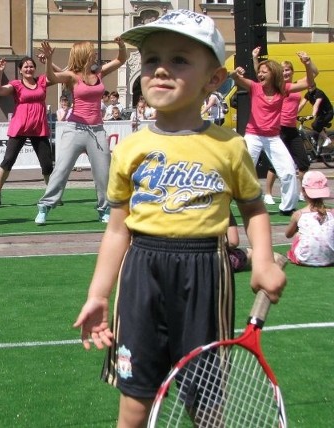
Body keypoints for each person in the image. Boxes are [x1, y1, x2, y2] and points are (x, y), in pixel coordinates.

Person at [72, 10, 286, 427]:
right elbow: (118, 230)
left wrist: (262, 259)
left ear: (214, 78)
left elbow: (254, 208)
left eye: (180, 60)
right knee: (134, 400)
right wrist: (98, 294)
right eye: (152, 60)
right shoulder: (130, 148)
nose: (161, 71)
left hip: (205, 272)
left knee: (204, 403)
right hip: (142, 272)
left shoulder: (230, 146)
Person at [35, 37, 127, 224]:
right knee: (61, 169)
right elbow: (52, 78)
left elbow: (120, 60)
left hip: (97, 130)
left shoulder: (99, 73)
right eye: (92, 51)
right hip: (75, 129)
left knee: (103, 172)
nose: (95, 53)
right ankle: (45, 206)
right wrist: (49, 61)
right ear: (84, 54)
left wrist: (121, 46)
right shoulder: (72, 76)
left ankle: (104, 209)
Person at [231, 50, 315, 215]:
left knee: (289, 171)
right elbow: (234, 78)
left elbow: (308, 83)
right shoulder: (255, 87)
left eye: (264, 72)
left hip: (273, 138)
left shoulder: (283, 89)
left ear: (273, 74)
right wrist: (236, 73)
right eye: (259, 72)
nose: (260, 74)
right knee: (242, 170)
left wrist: (307, 63)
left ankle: (287, 207)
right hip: (253, 136)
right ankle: (229, 201)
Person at [255, 47, 318, 205]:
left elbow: (314, 74)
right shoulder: (277, 87)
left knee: (303, 162)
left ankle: (303, 192)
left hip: (292, 128)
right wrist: (255, 59)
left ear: (292, 71)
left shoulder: (296, 86)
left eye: (288, 70)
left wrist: (307, 62)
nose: (286, 72)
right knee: (275, 164)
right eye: (283, 70)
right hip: (279, 128)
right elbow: (259, 78)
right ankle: (268, 193)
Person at [0, 57, 55, 206]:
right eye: (25, 67)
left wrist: (48, 61)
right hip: (20, 127)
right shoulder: (16, 84)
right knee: (8, 161)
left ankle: (52, 194)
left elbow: (57, 75)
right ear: (20, 70)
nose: (29, 69)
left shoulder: (41, 81)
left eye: (31, 66)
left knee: (47, 164)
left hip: (39, 128)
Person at [285, 170, 334, 267]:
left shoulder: (299, 214)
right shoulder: (332, 213)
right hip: (330, 259)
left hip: (304, 259)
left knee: (298, 234)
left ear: (303, 191)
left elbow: (288, 234)